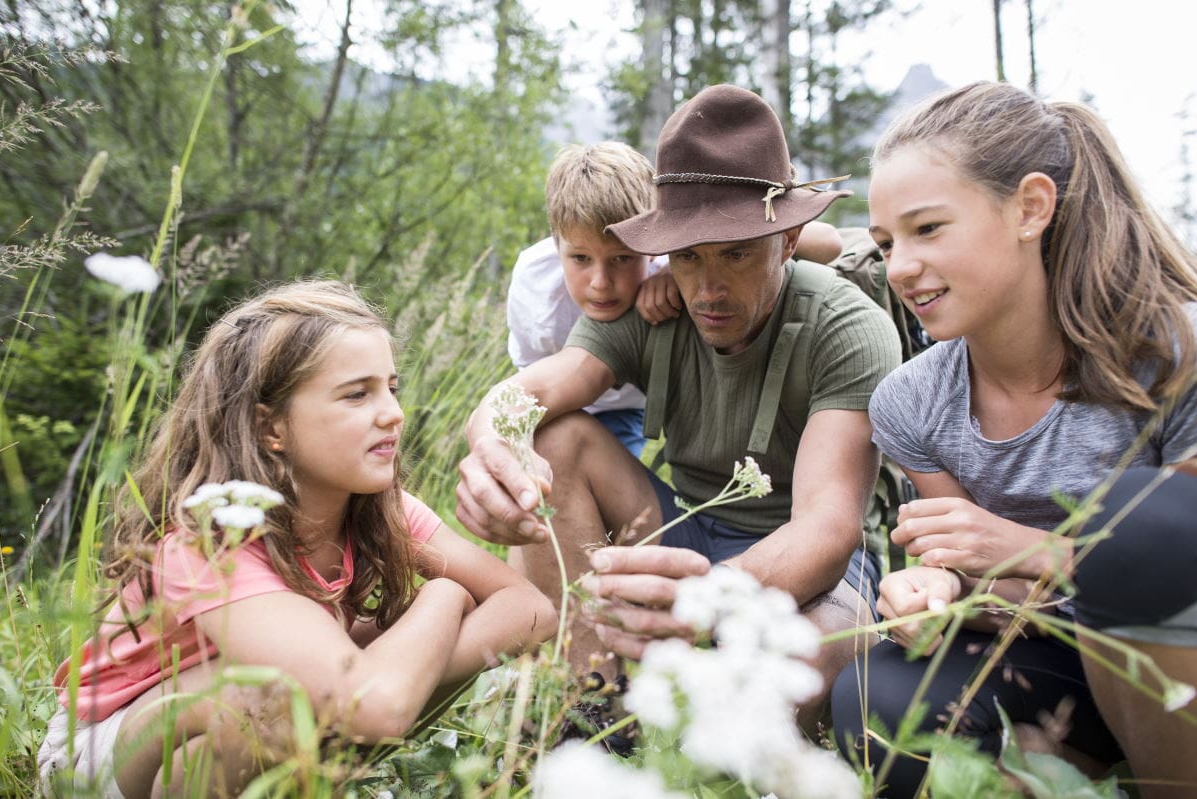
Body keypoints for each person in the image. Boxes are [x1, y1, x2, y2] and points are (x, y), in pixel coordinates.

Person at [458, 84, 902, 727]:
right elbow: (541, 387)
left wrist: (699, 606)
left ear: (788, 238)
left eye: (737, 253)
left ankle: (692, 688)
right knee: (556, 436)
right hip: (689, 530)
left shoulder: (846, 327)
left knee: (802, 678)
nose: (709, 287)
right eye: (688, 256)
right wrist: (488, 445)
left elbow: (828, 532)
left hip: (822, 571)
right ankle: (597, 710)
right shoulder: (652, 305)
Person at [38, 281, 556, 799]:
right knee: (272, 694)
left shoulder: (381, 509)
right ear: (272, 428)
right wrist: (445, 596)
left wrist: (392, 674)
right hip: (102, 756)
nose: (393, 413)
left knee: (376, 664)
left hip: (265, 721)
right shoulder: (209, 541)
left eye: (391, 388)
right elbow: (376, 708)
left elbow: (532, 610)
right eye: (357, 394)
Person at [829, 81, 1197, 798]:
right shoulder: (911, 401)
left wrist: (1029, 548)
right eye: (885, 243)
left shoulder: (1177, 349)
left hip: (1177, 658)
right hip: (1052, 661)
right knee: (875, 696)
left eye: (927, 228)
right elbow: (983, 578)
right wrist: (936, 587)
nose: (899, 266)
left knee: (1139, 520)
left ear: (1030, 208)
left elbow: (1171, 559)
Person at [507, 141, 845, 458]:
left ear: (650, 245)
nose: (601, 283)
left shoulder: (677, 260)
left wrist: (676, 268)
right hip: (561, 396)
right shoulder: (535, 286)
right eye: (580, 258)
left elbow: (830, 243)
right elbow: (533, 387)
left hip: (625, 407)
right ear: (557, 247)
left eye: (622, 258)